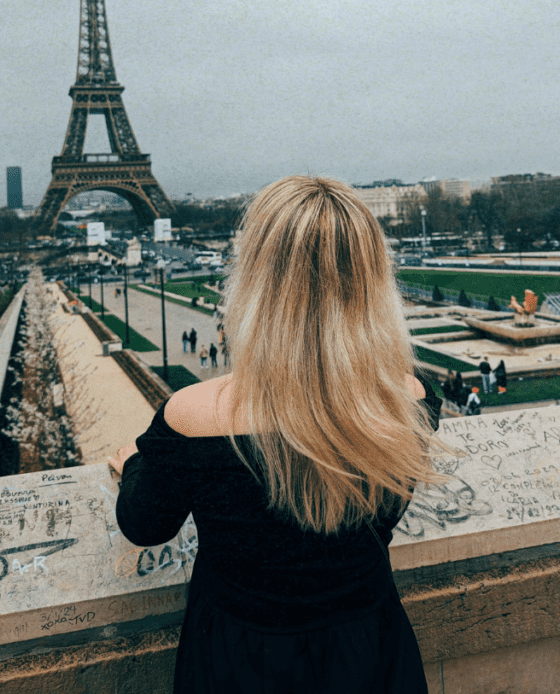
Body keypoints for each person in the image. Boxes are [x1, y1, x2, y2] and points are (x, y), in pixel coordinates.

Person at [109, 176, 443, 694]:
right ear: (374, 277)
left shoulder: (192, 417)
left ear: (255, 279)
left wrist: (136, 461)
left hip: (241, 659)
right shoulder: (412, 399)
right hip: (369, 648)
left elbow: (145, 525)